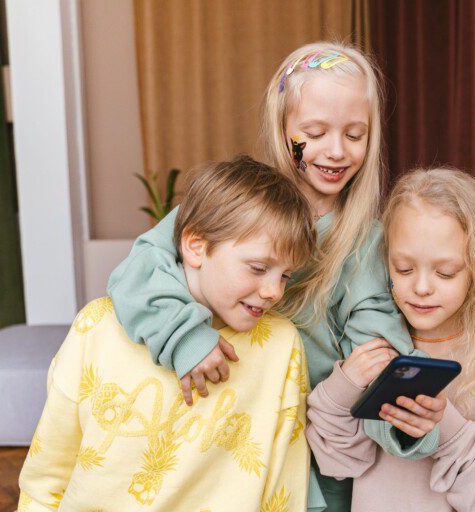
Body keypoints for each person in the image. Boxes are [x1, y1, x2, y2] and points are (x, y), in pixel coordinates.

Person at [106, 42, 440, 511]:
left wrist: (405, 413)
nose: (336, 151)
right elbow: (138, 268)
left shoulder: (366, 244)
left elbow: (377, 351)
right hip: (215, 440)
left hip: (302, 466)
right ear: (281, 126)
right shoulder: (238, 203)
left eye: (355, 134)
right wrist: (185, 338)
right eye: (315, 131)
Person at [18, 156, 315, 512]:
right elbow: (48, 469)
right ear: (196, 246)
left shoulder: (282, 345)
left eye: (285, 275)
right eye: (258, 268)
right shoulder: (96, 327)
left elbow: (287, 483)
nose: (274, 292)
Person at [305, 168, 475, 511]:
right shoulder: (372, 343)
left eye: (445, 272)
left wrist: (449, 431)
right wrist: (345, 384)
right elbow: (338, 463)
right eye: (404, 269)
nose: (421, 288)